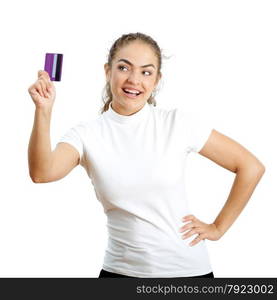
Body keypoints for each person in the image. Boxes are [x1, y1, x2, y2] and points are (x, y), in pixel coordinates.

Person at [28, 32, 265, 278]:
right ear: (108, 71)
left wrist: (218, 227)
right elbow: (42, 173)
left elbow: (250, 166)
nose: (134, 80)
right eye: (124, 67)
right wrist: (43, 111)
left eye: (146, 72)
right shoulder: (87, 134)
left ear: (156, 80)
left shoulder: (176, 123)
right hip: (119, 272)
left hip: (187, 273)